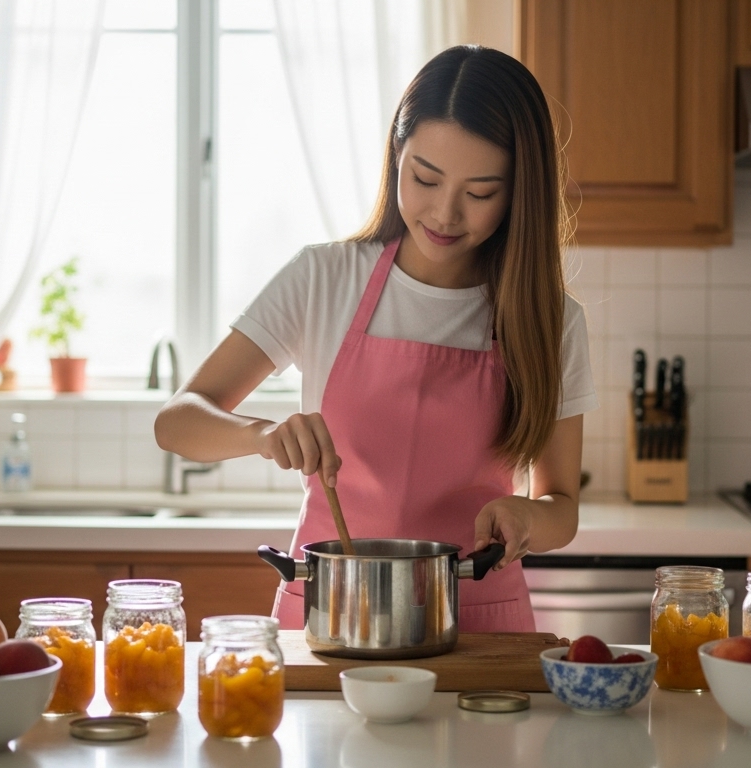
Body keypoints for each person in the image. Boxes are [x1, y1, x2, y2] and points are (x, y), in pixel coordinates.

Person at [154, 45, 596, 632]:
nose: (444, 212)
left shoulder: (549, 319)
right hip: (332, 613)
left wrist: (526, 516)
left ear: (520, 191)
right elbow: (178, 421)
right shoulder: (323, 278)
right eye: (425, 178)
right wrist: (264, 435)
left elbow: (560, 507)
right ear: (396, 158)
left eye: (481, 192)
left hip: (477, 620)